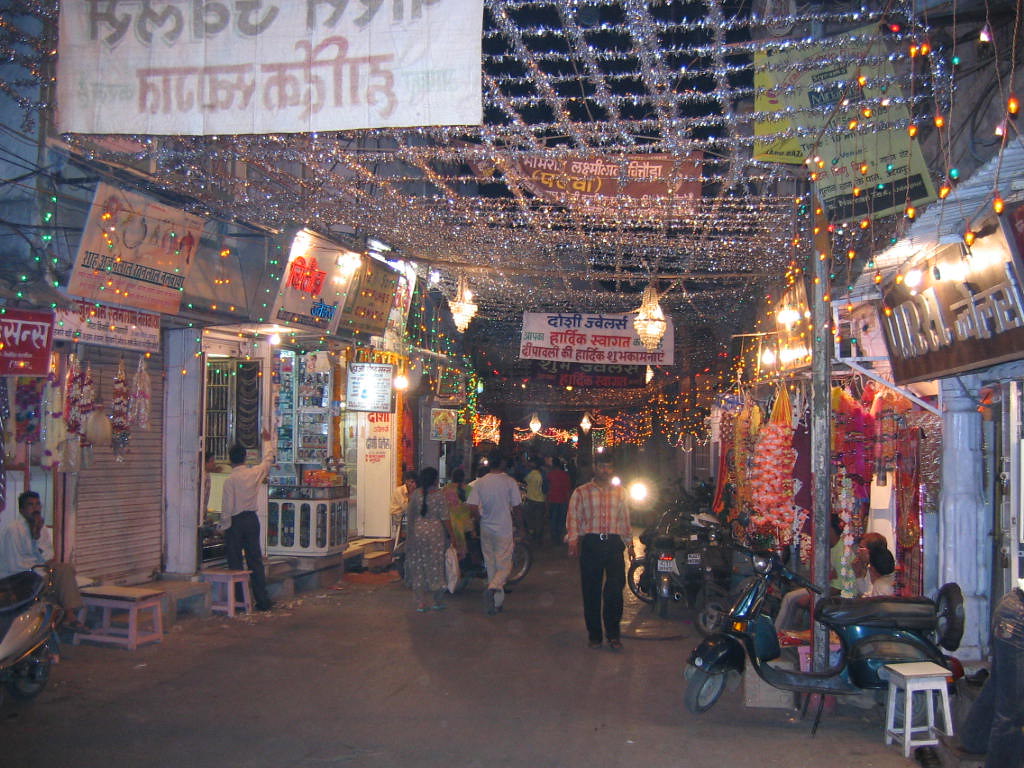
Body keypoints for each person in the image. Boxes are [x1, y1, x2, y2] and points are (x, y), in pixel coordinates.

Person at [565, 453, 635, 650]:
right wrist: (573, 540)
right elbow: (573, 516)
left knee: (615, 590)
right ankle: (595, 634)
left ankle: (613, 634)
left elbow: (624, 519)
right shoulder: (582, 492)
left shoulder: (621, 492)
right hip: (592, 543)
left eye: (609, 467)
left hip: (613, 544)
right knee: (591, 590)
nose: (606, 471)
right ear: (595, 467)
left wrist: (629, 544)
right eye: (602, 467)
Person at [0, 491, 89, 632]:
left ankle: (69, 616)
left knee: (64, 569)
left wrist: (37, 535)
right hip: (16, 579)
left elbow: (48, 557)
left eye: (38, 505)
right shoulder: (13, 530)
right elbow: (15, 565)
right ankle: (64, 617)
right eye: (31, 505)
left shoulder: (42, 528)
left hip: (37, 573)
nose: (35, 509)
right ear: (22, 510)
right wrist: (44, 571)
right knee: (55, 580)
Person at [957, 584, 1024, 768]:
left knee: (1000, 684)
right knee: (1014, 708)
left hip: (1012, 610)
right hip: (1018, 616)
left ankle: (974, 740)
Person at [220, 431, 274, 611]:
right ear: (244, 458)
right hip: (252, 520)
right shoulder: (254, 473)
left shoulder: (230, 480)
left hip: (235, 523)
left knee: (235, 563)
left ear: (230, 460)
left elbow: (227, 507)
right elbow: (267, 462)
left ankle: (240, 602)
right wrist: (267, 442)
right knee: (255, 560)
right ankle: (262, 601)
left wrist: (223, 527)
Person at [466, 455, 522, 615]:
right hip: (503, 528)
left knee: (490, 564)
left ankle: (496, 603)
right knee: (504, 564)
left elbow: (472, 506)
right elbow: (517, 507)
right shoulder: (509, 482)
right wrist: (521, 526)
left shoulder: (481, 482)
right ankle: (493, 588)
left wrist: (480, 519)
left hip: (486, 528)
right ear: (503, 463)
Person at [775, 514, 844, 631]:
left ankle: (782, 633)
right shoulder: (827, 547)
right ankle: (780, 633)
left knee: (794, 600)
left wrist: (813, 596)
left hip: (830, 592)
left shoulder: (842, 550)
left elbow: (838, 587)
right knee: (789, 598)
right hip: (820, 587)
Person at [404, 467, 454, 612]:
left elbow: (411, 515)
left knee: (418, 566)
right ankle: (437, 600)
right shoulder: (439, 495)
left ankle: (421, 602)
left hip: (418, 533)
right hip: (435, 535)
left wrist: (410, 535)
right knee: (435, 566)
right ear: (435, 479)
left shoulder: (416, 495)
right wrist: (452, 535)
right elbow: (445, 518)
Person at [442, 468, 472, 557]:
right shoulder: (469, 489)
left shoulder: (445, 489)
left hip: (449, 525)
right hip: (466, 526)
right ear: (463, 478)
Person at [545, 456, 572, 547]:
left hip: (553, 499)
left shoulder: (550, 474)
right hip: (563, 499)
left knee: (553, 519)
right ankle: (559, 537)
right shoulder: (565, 475)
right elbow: (568, 489)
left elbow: (547, 488)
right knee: (561, 520)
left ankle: (554, 538)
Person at [522, 458, 547, 546]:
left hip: (531, 499)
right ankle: (539, 538)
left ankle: (533, 536)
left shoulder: (529, 474)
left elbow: (524, 482)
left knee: (531, 519)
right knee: (539, 520)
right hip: (540, 500)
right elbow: (545, 488)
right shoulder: (543, 474)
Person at [390, 470, 417, 542]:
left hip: (408, 515)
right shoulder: (399, 491)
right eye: (411, 482)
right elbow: (406, 507)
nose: (413, 484)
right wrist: (411, 494)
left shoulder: (416, 490)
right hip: (399, 515)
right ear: (406, 481)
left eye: (414, 482)